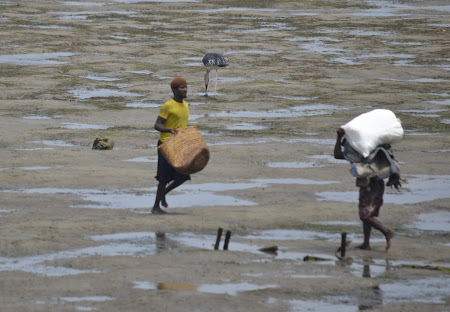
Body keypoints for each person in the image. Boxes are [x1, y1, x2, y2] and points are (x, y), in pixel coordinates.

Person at [334, 127, 402, 250]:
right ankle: (366, 243)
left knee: (365, 216)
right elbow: (391, 161)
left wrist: (339, 137)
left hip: (371, 186)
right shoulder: (377, 148)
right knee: (368, 214)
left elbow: (337, 155)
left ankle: (386, 232)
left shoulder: (359, 151)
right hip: (376, 184)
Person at [152, 77, 190, 214]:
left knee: (183, 176)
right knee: (163, 178)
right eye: (181, 87)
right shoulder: (168, 105)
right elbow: (157, 125)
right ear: (174, 90)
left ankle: (163, 194)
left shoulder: (185, 105)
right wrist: (169, 130)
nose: (185, 89)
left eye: (186, 87)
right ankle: (155, 207)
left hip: (178, 145)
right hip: (166, 145)